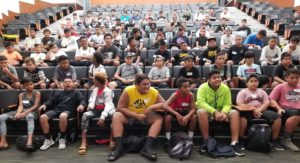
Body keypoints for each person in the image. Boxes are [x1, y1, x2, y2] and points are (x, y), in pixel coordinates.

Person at [107, 74, 165, 161]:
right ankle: (119, 148)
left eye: (148, 84)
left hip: (145, 117)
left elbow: (164, 104)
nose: (147, 86)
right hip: (130, 116)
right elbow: (120, 107)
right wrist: (136, 115)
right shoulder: (128, 90)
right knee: (116, 115)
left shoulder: (153, 91)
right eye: (144, 84)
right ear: (136, 85)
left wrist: (150, 108)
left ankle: (147, 148)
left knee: (158, 119)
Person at [196, 70, 244, 156]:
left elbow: (228, 103)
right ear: (208, 80)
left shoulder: (225, 88)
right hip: (209, 111)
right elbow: (201, 102)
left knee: (235, 113)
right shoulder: (202, 87)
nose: (217, 79)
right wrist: (214, 112)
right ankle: (206, 141)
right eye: (214, 78)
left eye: (219, 77)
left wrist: (224, 112)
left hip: (221, 110)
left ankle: (234, 143)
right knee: (200, 111)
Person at [236, 74, 283, 151]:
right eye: (251, 81)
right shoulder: (243, 92)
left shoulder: (262, 91)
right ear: (247, 83)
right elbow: (239, 103)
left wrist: (259, 110)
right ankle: (241, 139)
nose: (254, 83)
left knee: (277, 118)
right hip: (248, 111)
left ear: (258, 83)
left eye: (256, 81)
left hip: (262, 110)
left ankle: (275, 140)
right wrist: (253, 109)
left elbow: (266, 102)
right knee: (242, 118)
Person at [39, 78, 86, 150]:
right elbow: (51, 101)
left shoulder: (77, 93)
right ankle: (48, 139)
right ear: (63, 85)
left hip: (69, 111)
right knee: (43, 117)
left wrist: (81, 105)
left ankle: (62, 138)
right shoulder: (59, 93)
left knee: (62, 116)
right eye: (66, 82)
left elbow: (82, 101)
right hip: (57, 110)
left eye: (69, 82)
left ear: (73, 84)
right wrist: (44, 105)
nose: (67, 83)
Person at [78, 72, 115, 155]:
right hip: (96, 109)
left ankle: (112, 139)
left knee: (113, 115)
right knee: (85, 115)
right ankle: (84, 141)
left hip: (107, 109)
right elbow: (91, 100)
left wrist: (102, 117)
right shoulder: (95, 89)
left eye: (94, 80)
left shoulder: (107, 91)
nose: (93, 81)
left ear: (98, 81)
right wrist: (90, 106)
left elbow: (108, 105)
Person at [0, 77, 40, 151]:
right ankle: (3, 142)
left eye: (31, 84)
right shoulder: (21, 95)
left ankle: (29, 142)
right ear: (24, 86)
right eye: (27, 85)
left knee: (30, 116)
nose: (30, 86)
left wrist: (24, 113)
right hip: (21, 111)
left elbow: (36, 106)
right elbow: (21, 106)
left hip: (31, 111)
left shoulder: (37, 93)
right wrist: (18, 114)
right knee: (1, 117)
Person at [269, 68, 300, 151]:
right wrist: (278, 108)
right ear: (286, 78)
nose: (295, 80)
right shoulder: (280, 87)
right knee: (297, 114)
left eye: (297, 78)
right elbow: (272, 99)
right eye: (292, 78)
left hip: (298, 109)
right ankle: (286, 139)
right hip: (286, 109)